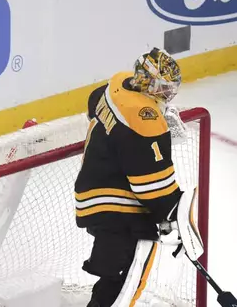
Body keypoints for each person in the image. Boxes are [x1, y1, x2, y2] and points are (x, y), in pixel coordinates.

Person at [74, 48, 204, 307]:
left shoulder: (117, 84)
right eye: (164, 88)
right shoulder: (144, 116)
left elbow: (93, 101)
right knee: (126, 287)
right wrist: (174, 217)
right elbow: (153, 187)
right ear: (148, 83)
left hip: (95, 191)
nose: (169, 95)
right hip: (120, 206)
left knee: (113, 281)